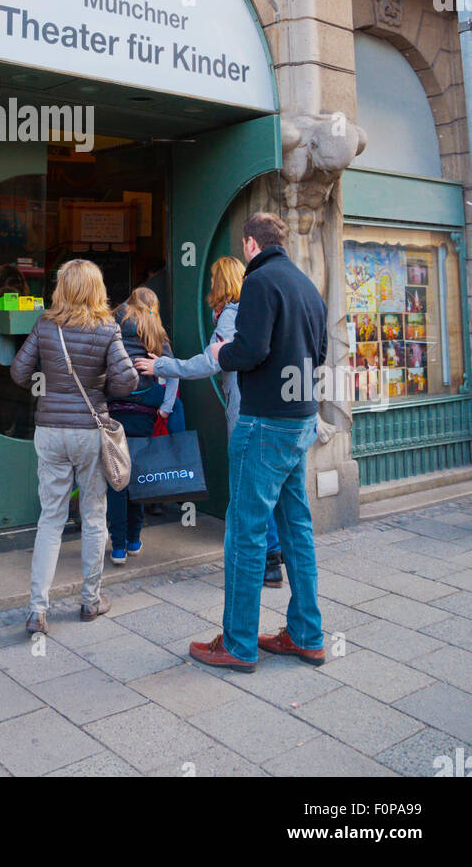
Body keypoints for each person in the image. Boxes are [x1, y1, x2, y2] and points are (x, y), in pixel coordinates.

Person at [188, 212, 327, 672]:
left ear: (250, 244)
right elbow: (321, 353)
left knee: (244, 533)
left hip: (264, 422)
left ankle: (239, 643)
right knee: (296, 530)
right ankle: (307, 635)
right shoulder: (306, 285)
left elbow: (250, 350)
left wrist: (221, 354)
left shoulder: (259, 282)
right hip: (299, 421)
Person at [136, 256, 285, 588]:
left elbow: (208, 363)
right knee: (265, 483)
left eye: (213, 280)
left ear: (220, 283)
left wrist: (162, 366)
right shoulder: (255, 312)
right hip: (269, 407)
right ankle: (277, 551)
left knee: (250, 486)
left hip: (246, 410)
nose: (209, 287)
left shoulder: (230, 317)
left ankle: (271, 560)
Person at [10, 259, 138, 635]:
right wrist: (101, 388)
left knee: (50, 519)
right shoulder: (107, 328)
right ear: (97, 289)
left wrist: (49, 380)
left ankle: (37, 610)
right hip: (88, 431)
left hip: (50, 429)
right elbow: (128, 379)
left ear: (61, 288)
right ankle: (90, 600)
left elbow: (19, 373)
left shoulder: (46, 324)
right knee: (94, 516)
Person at [106, 287, 176, 565]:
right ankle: (134, 539)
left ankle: (119, 548)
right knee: (137, 476)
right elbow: (174, 373)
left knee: (117, 480)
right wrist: (166, 408)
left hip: (115, 410)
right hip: (145, 412)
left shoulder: (113, 325)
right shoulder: (156, 333)